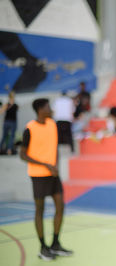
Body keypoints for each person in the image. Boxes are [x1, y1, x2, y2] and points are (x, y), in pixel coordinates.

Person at [20, 98, 73, 261]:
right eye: (49, 106)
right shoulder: (29, 128)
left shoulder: (52, 124)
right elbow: (23, 154)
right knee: (40, 210)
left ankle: (55, 243)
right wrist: (45, 165)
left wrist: (55, 165)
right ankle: (43, 247)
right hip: (38, 175)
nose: (51, 109)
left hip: (53, 174)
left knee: (60, 206)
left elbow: (54, 147)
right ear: (40, 109)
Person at [0, 90, 18, 155]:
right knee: (5, 135)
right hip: (7, 122)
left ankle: (9, 149)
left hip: (13, 122)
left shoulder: (15, 105)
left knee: (12, 136)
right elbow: (1, 111)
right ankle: (2, 148)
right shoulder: (7, 105)